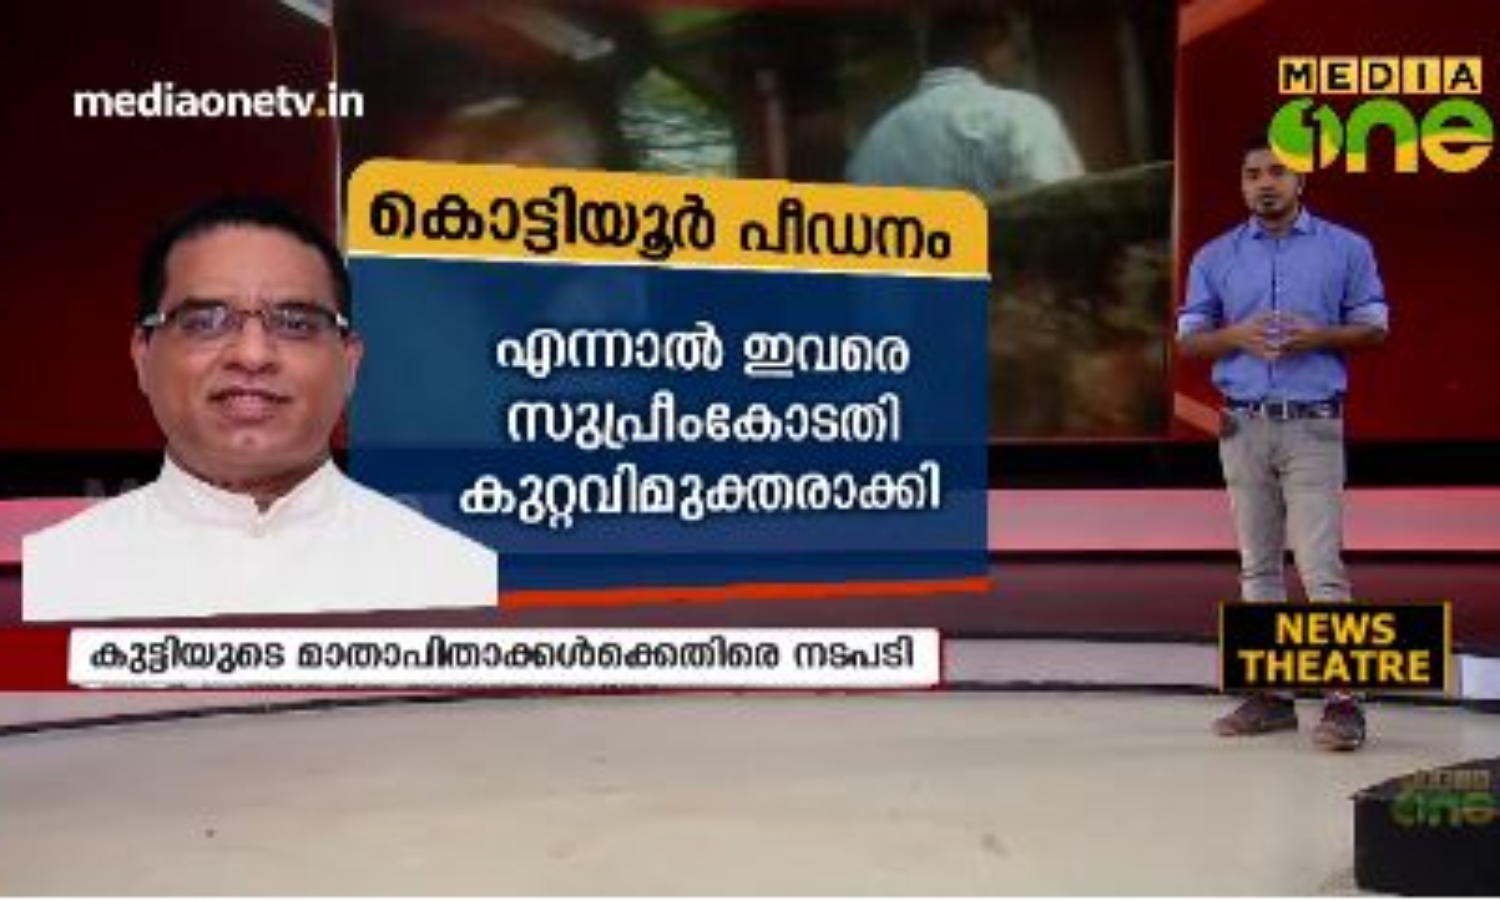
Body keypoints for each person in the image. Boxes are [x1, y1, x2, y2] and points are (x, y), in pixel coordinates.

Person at [23, 198, 497, 621]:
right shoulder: (46, 581)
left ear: (350, 362)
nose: (252, 355)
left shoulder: (459, 582)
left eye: (295, 323)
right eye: (205, 321)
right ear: (142, 356)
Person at [1177, 139, 1389, 751]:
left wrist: (1317, 337)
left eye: (1277, 172)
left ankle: (1344, 703)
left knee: (1321, 568)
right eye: (1252, 174)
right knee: (1258, 566)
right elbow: (1189, 341)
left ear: (1301, 180)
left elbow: (1375, 327)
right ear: (1242, 184)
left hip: (1313, 425)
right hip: (1240, 425)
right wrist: (1236, 337)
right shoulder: (1215, 256)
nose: (1264, 183)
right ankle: (1271, 697)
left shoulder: (1346, 248)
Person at [846, 6, 1084, 198]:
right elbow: (1066, 214)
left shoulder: (872, 145)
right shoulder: (1021, 114)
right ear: (988, 45)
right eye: (1019, 51)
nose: (1020, 63)